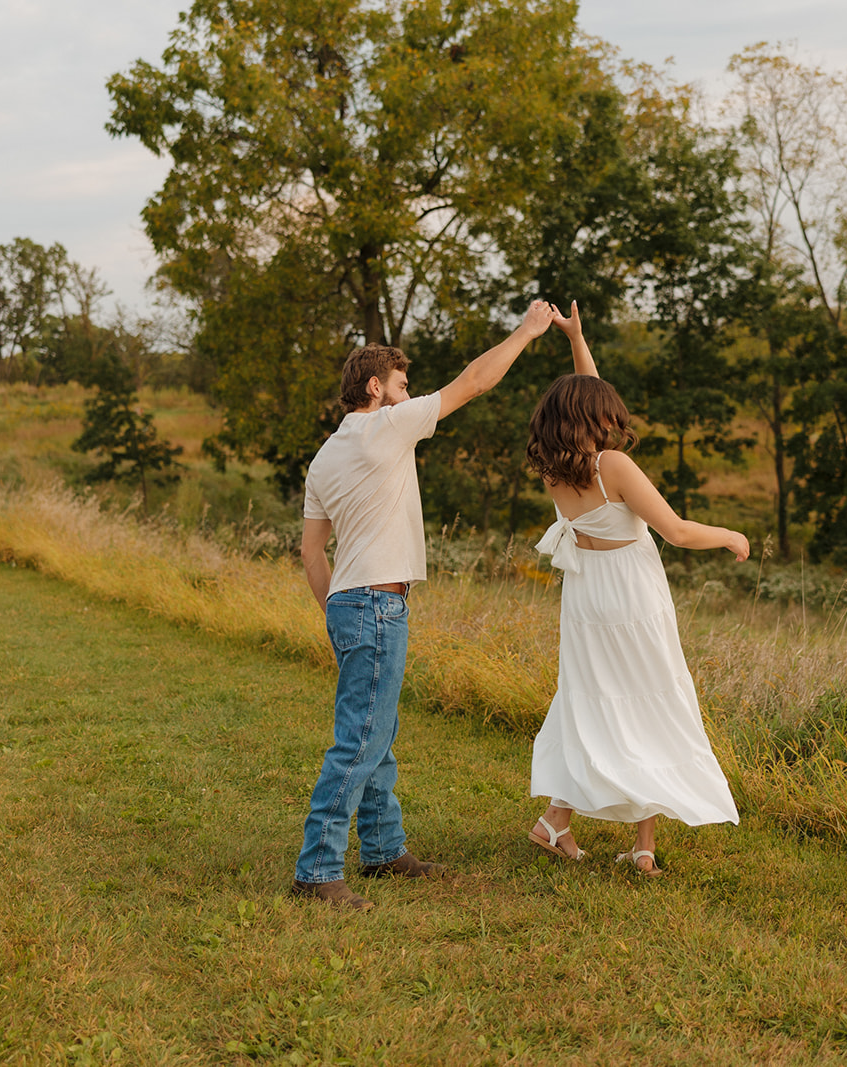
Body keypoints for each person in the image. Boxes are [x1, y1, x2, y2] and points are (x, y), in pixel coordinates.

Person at [294, 300, 558, 911]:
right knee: (359, 741)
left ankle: (384, 850)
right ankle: (316, 871)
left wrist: (337, 608)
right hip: (377, 605)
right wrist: (526, 329)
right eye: (402, 387)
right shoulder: (384, 426)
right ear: (374, 387)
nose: (408, 396)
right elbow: (476, 381)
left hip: (346, 603)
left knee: (376, 735)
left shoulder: (325, 456)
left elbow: (311, 553)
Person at [524, 303, 746, 876]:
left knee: (595, 701)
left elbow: (585, 391)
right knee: (653, 699)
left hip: (586, 596)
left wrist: (577, 339)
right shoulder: (613, 465)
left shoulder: (557, 465)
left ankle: (570, 824)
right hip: (632, 594)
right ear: (595, 417)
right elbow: (674, 530)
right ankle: (623, 839)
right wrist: (728, 534)